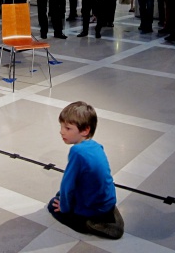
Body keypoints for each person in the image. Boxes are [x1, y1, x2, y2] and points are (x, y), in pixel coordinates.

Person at [47, 101, 124, 239]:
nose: (61, 131)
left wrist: (64, 208)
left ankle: (88, 224)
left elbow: (67, 185)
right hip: (107, 202)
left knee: (53, 205)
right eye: (61, 126)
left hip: (92, 208)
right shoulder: (96, 146)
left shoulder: (77, 152)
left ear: (85, 130)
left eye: (68, 128)